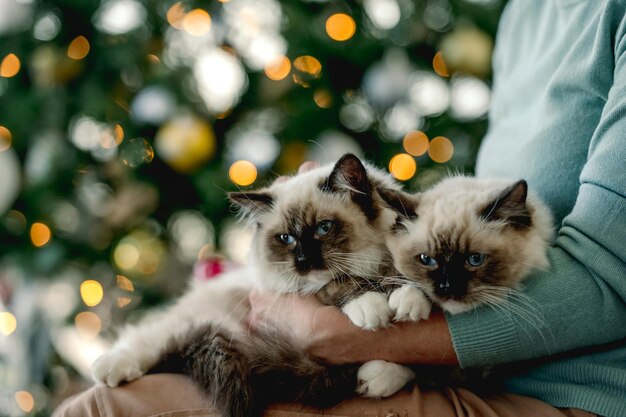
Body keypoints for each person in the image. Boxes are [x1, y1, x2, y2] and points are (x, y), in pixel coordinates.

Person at [54, 0, 626, 416]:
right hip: (474, 362)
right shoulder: (521, 15)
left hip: (568, 390)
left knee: (104, 409)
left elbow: (610, 278)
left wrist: (363, 341)